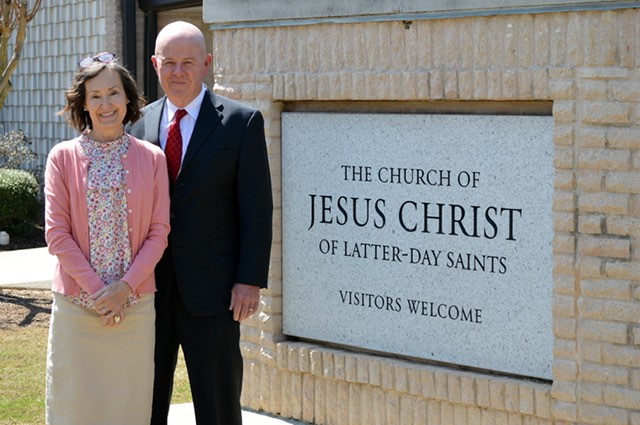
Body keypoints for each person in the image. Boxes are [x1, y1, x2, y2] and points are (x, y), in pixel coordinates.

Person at [127, 21, 273, 425]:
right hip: (148, 290)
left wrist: (249, 280)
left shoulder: (241, 123)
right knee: (143, 402)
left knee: (218, 406)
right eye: (169, 62)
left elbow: (257, 208)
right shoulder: (136, 124)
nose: (178, 72)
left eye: (188, 62)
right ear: (155, 64)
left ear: (206, 64)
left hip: (215, 291)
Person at [44, 53, 170, 424]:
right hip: (76, 308)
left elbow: (159, 232)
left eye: (113, 92)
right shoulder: (61, 158)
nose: (106, 103)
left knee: (128, 407)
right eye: (95, 96)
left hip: (135, 308)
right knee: (73, 406)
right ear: (83, 104)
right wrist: (101, 293)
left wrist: (124, 290)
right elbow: (57, 235)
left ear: (128, 97)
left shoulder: (153, 158)